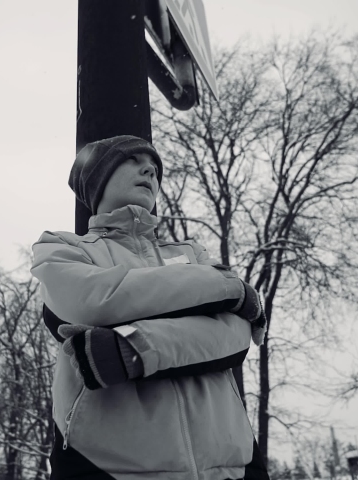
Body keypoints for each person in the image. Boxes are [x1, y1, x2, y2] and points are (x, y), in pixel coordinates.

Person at [31, 135, 269, 480]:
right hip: (105, 467)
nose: (149, 170)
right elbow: (92, 299)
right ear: (97, 177)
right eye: (132, 159)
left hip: (234, 464)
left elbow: (234, 334)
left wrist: (131, 348)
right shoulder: (62, 247)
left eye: (155, 168)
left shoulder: (189, 253)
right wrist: (228, 288)